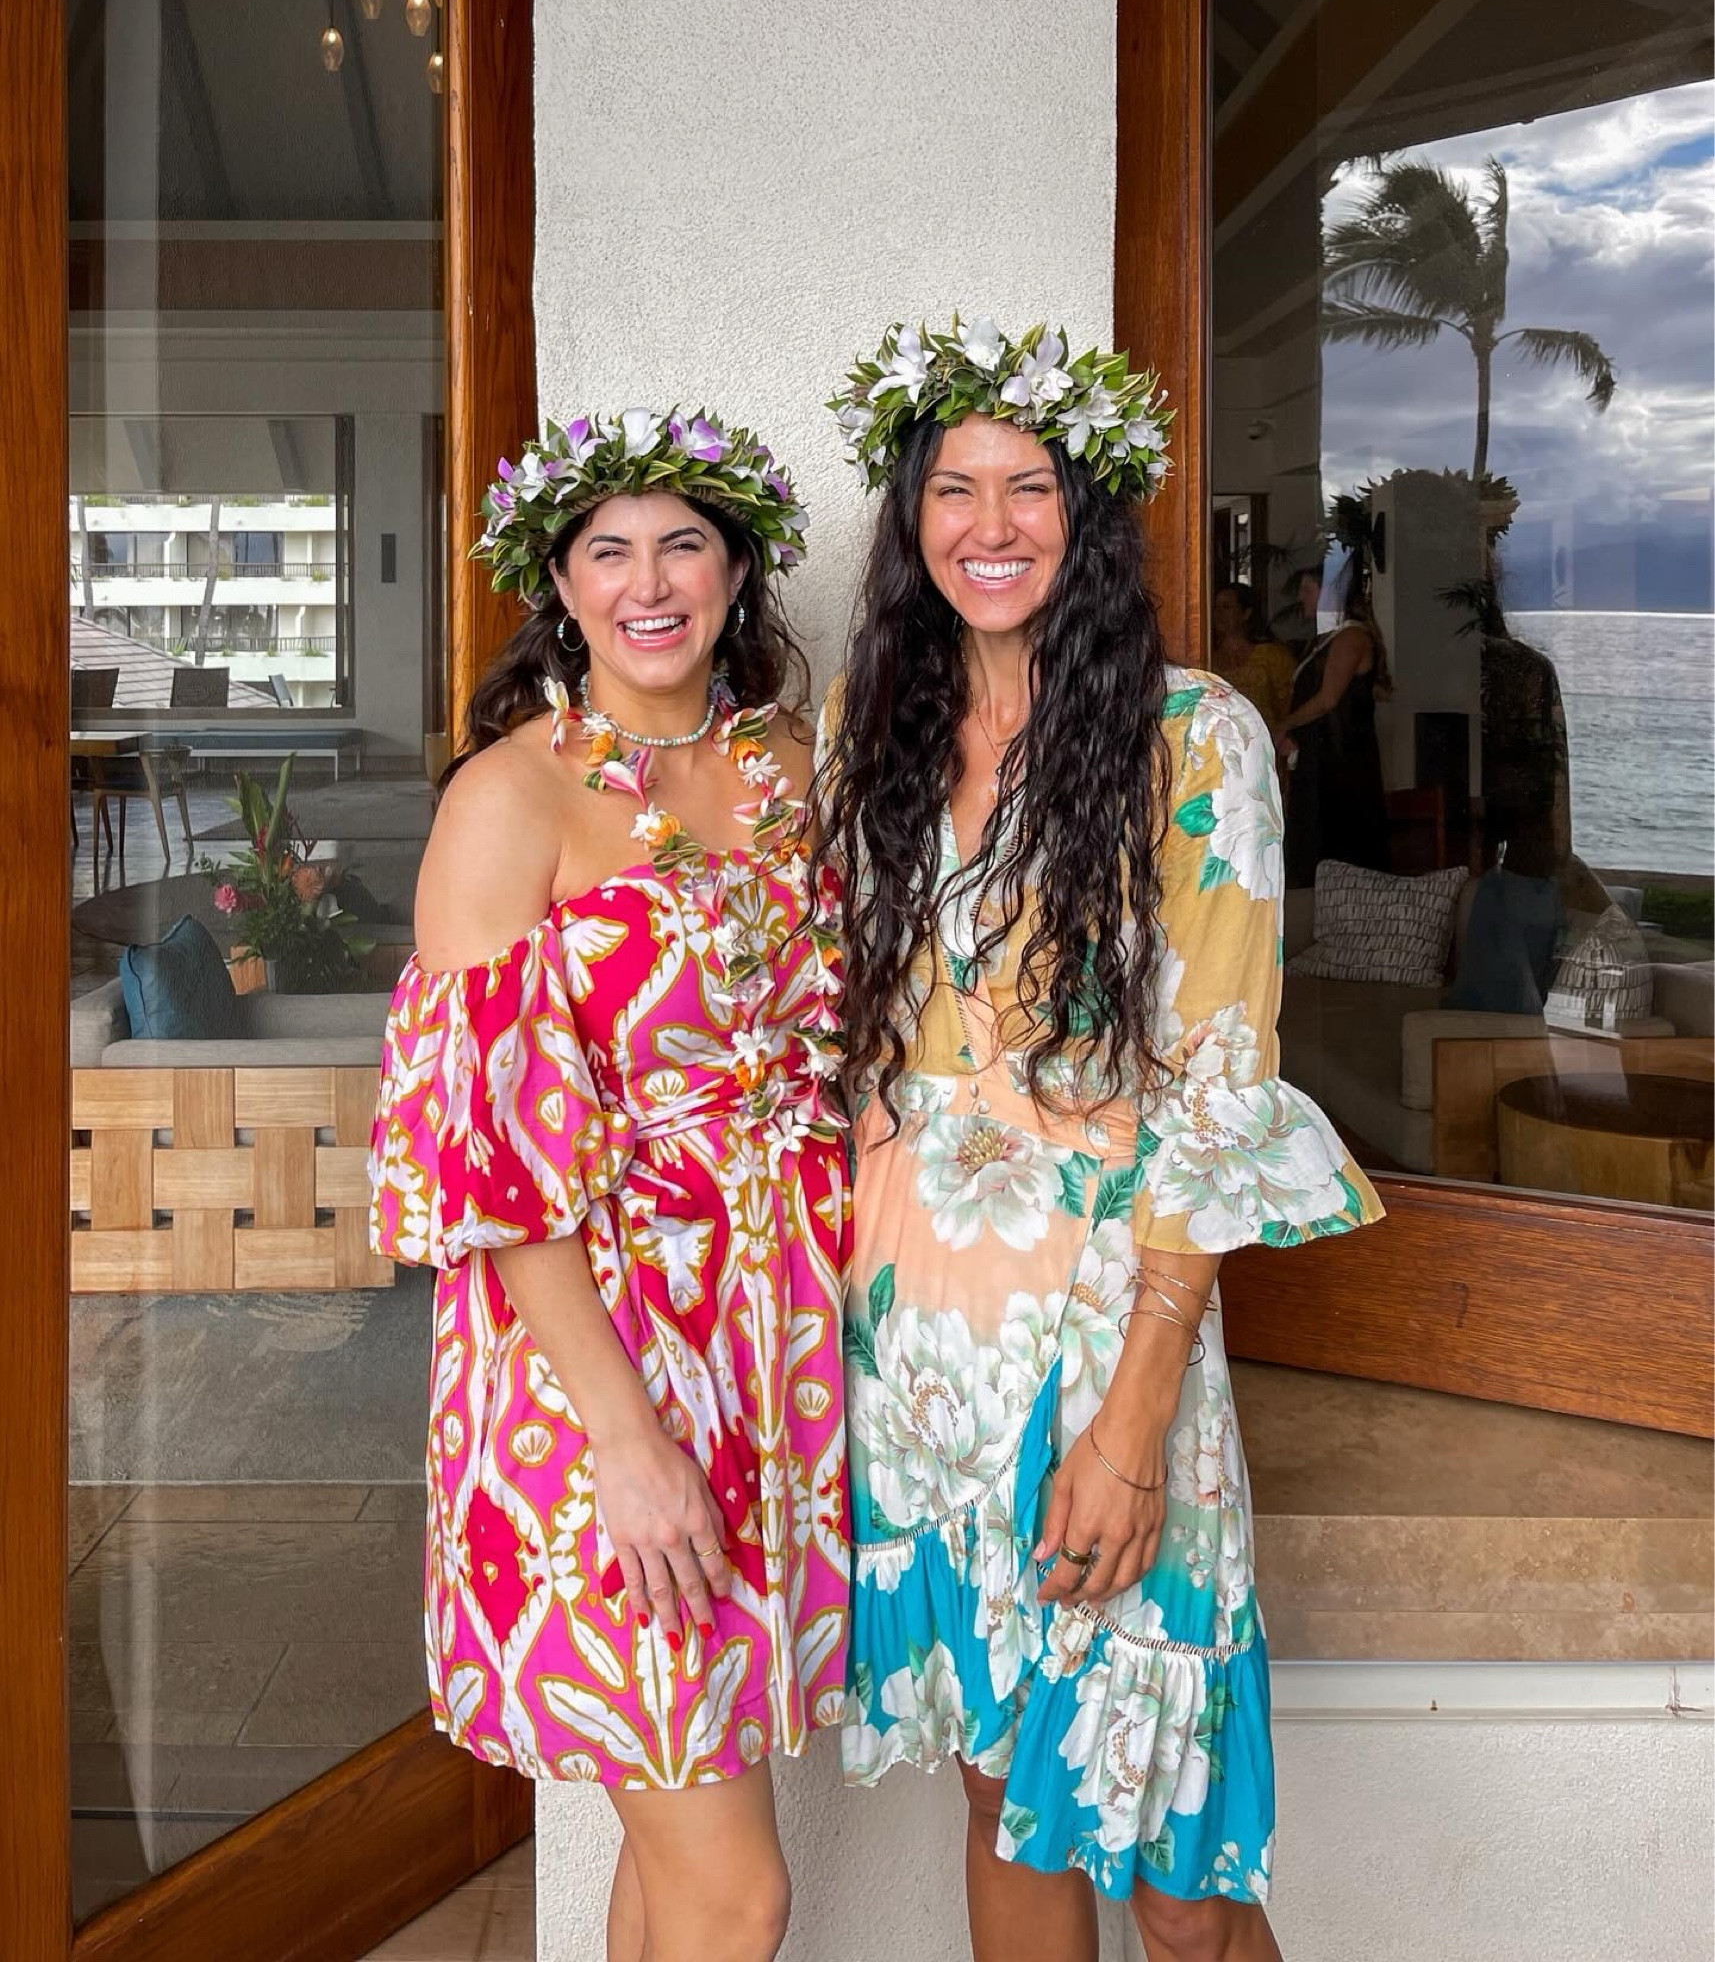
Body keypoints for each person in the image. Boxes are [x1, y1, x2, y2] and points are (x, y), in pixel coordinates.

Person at [818, 319, 1384, 1962]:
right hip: (912, 1344)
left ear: (1091, 517)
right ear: (910, 523)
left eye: (1031, 487)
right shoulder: (872, 728)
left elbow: (1215, 1083)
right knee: (1005, 1797)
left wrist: (1137, 1416)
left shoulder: (1198, 736)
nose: (991, 523)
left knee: (1179, 1874)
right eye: (954, 488)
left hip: (1107, 1329)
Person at [368, 409, 847, 1962]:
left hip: (769, 1346)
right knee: (734, 1888)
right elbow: (485, 1169)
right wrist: (627, 1445)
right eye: (607, 550)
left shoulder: (785, 758)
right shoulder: (506, 804)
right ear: (559, 588)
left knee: (673, 1836)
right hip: (596, 1369)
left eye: (683, 543)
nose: (648, 582)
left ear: (734, 571)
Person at [1278, 558, 1392, 887]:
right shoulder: (1322, 642)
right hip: (1315, 763)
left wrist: (1283, 724)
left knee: (1342, 847)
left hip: (1342, 767)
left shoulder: (1352, 637)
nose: (1302, 598)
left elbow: (1328, 699)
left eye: (1308, 590)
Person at [1209, 579, 1297, 738]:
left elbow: (1288, 706)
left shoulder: (1272, 656)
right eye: (1215, 608)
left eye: (1226, 607)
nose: (1218, 614)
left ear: (1246, 613)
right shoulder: (1206, 658)